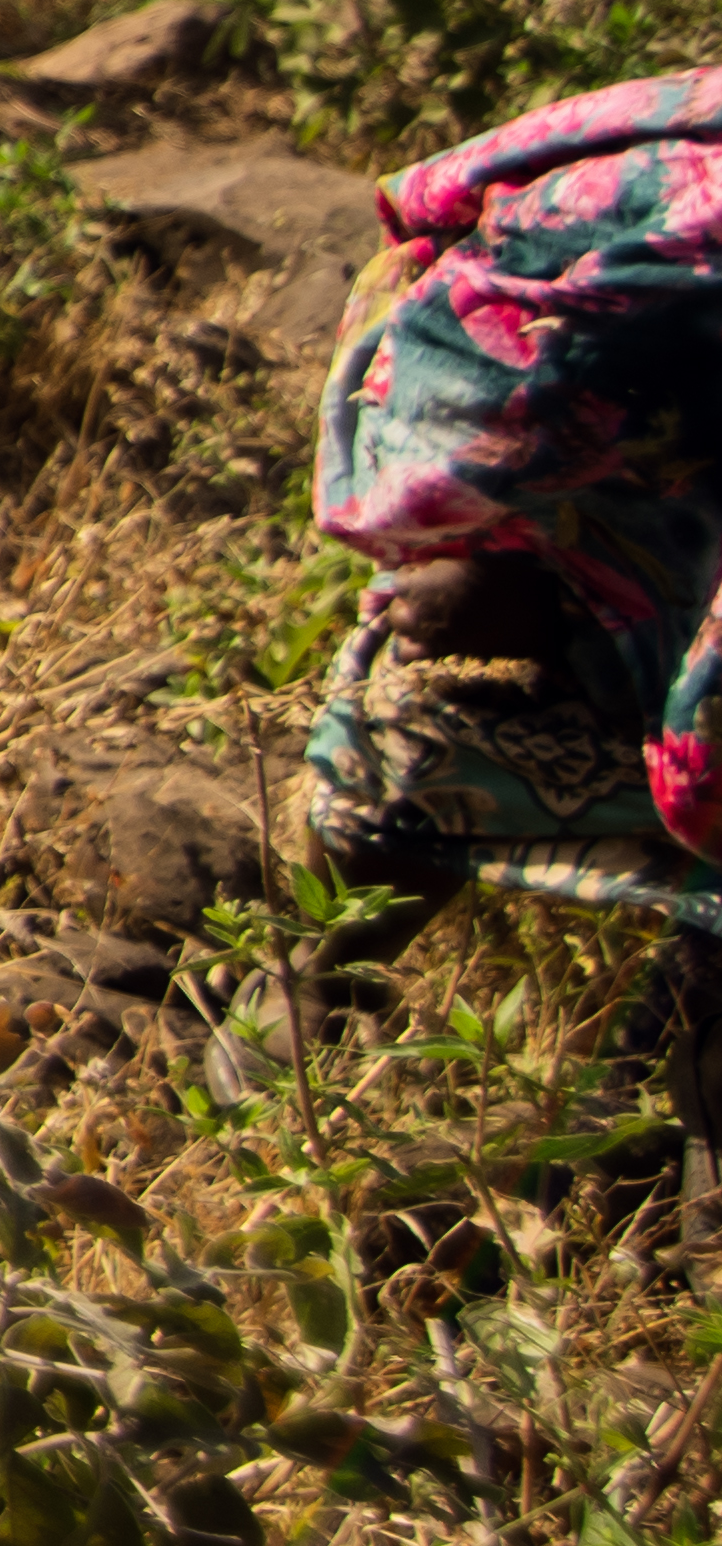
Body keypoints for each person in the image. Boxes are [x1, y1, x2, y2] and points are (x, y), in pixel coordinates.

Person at [292, 66, 722, 1000]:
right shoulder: (653, 218)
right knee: (444, 686)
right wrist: (498, 548)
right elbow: (460, 356)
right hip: (587, 525)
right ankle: (313, 994)